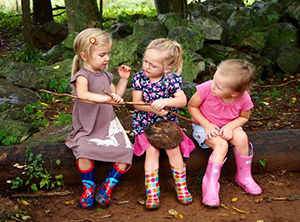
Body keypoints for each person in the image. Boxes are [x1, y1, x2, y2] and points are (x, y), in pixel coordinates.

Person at [65, 28, 134, 209]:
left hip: (108, 126)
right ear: (85, 55)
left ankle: (107, 187)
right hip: (88, 127)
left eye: (108, 54)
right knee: (84, 151)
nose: (107, 58)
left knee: (126, 152)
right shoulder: (82, 76)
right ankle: (89, 188)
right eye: (102, 54)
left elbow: (116, 96)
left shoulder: (105, 75)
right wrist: (106, 99)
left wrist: (124, 80)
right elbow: (82, 95)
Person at [188, 59, 262, 207]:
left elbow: (244, 117)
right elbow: (192, 107)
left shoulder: (243, 98)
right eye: (214, 80)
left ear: (234, 93)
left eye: (219, 86)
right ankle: (210, 184)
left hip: (229, 126)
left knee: (242, 137)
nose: (213, 86)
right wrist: (207, 124)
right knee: (221, 145)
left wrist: (230, 126)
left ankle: (243, 176)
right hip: (205, 126)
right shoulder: (207, 88)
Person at [131, 38, 195, 210]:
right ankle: (152, 192)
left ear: (166, 68)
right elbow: (136, 103)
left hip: (167, 125)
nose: (146, 67)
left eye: (152, 65)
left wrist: (165, 101)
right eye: (145, 61)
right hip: (144, 124)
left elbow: (182, 100)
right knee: (151, 151)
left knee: (173, 149)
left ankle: (181, 187)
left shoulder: (172, 79)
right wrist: (152, 109)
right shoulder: (139, 78)